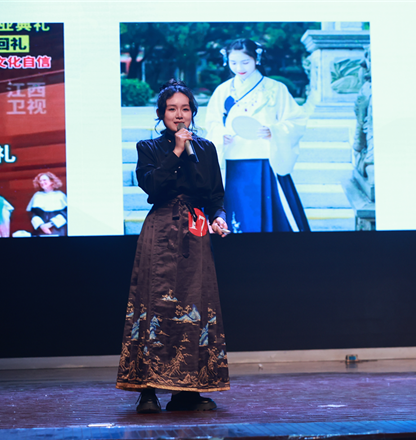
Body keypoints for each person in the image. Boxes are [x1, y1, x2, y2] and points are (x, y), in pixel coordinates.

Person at [116, 80, 230, 413]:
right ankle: (147, 390)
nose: (179, 115)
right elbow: (152, 186)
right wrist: (177, 151)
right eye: (171, 109)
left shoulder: (206, 148)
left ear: (193, 113)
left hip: (195, 230)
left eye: (185, 109)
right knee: (155, 306)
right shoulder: (149, 147)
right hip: (161, 228)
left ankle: (187, 391)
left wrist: (218, 217)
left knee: (194, 306)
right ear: (161, 113)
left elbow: (215, 195)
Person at [205, 38, 310, 233]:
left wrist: (274, 131)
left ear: (257, 59)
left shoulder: (276, 89)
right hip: (232, 161)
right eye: (233, 62)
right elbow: (212, 123)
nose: (239, 68)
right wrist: (220, 135)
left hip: (267, 160)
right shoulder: (223, 91)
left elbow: (296, 120)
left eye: (245, 62)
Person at [27, 172, 68, 236]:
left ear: (52, 181)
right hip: (41, 229)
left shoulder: (60, 195)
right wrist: (41, 225)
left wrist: (51, 224)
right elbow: (32, 213)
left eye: (44, 180)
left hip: (57, 228)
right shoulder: (37, 195)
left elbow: (66, 213)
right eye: (40, 181)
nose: (42, 182)